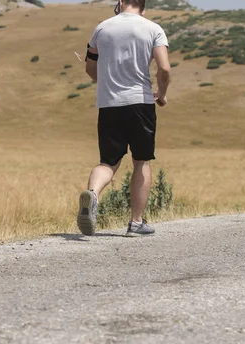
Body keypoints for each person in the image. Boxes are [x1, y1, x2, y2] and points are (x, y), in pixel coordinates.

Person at [77, 0, 171, 237]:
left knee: (108, 161)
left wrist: (108, 84)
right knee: (141, 161)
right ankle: (136, 223)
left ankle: (93, 194)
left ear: (120, 3)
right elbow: (165, 68)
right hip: (140, 102)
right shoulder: (153, 29)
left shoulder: (102, 28)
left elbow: (90, 67)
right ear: (143, 6)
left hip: (109, 104)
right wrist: (162, 93)